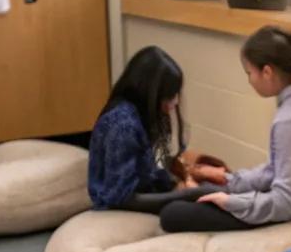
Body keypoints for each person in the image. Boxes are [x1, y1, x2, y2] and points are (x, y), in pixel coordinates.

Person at [159, 25, 291, 235]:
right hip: (281, 207)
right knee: (197, 191)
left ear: (267, 72)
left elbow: (286, 202)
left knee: (173, 214)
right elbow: (274, 171)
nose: (249, 81)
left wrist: (231, 201)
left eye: (249, 73)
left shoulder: (289, 119)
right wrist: (229, 180)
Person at [88, 46, 207, 213]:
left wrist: (177, 184)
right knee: (199, 199)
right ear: (149, 92)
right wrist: (184, 195)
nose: (175, 102)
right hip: (118, 209)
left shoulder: (145, 115)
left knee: (208, 190)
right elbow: (122, 198)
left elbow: (156, 167)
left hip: (146, 193)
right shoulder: (123, 126)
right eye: (169, 95)